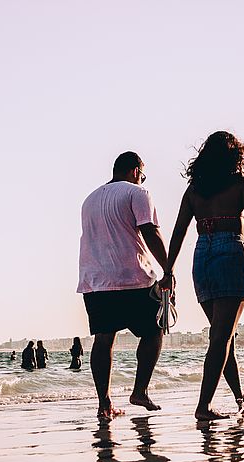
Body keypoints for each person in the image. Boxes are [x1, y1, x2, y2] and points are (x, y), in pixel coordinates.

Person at [166, 132, 244, 420]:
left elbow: (179, 230)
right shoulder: (240, 182)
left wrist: (169, 269)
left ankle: (237, 395)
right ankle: (203, 406)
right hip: (229, 249)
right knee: (221, 335)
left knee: (223, 334)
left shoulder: (194, 189)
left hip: (201, 256)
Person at [77, 151, 170, 418]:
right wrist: (168, 269)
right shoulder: (137, 193)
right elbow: (150, 230)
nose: (141, 178)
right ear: (134, 170)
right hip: (133, 278)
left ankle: (104, 404)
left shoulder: (89, 199)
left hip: (95, 281)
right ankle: (139, 391)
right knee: (154, 332)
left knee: (103, 340)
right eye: (142, 174)